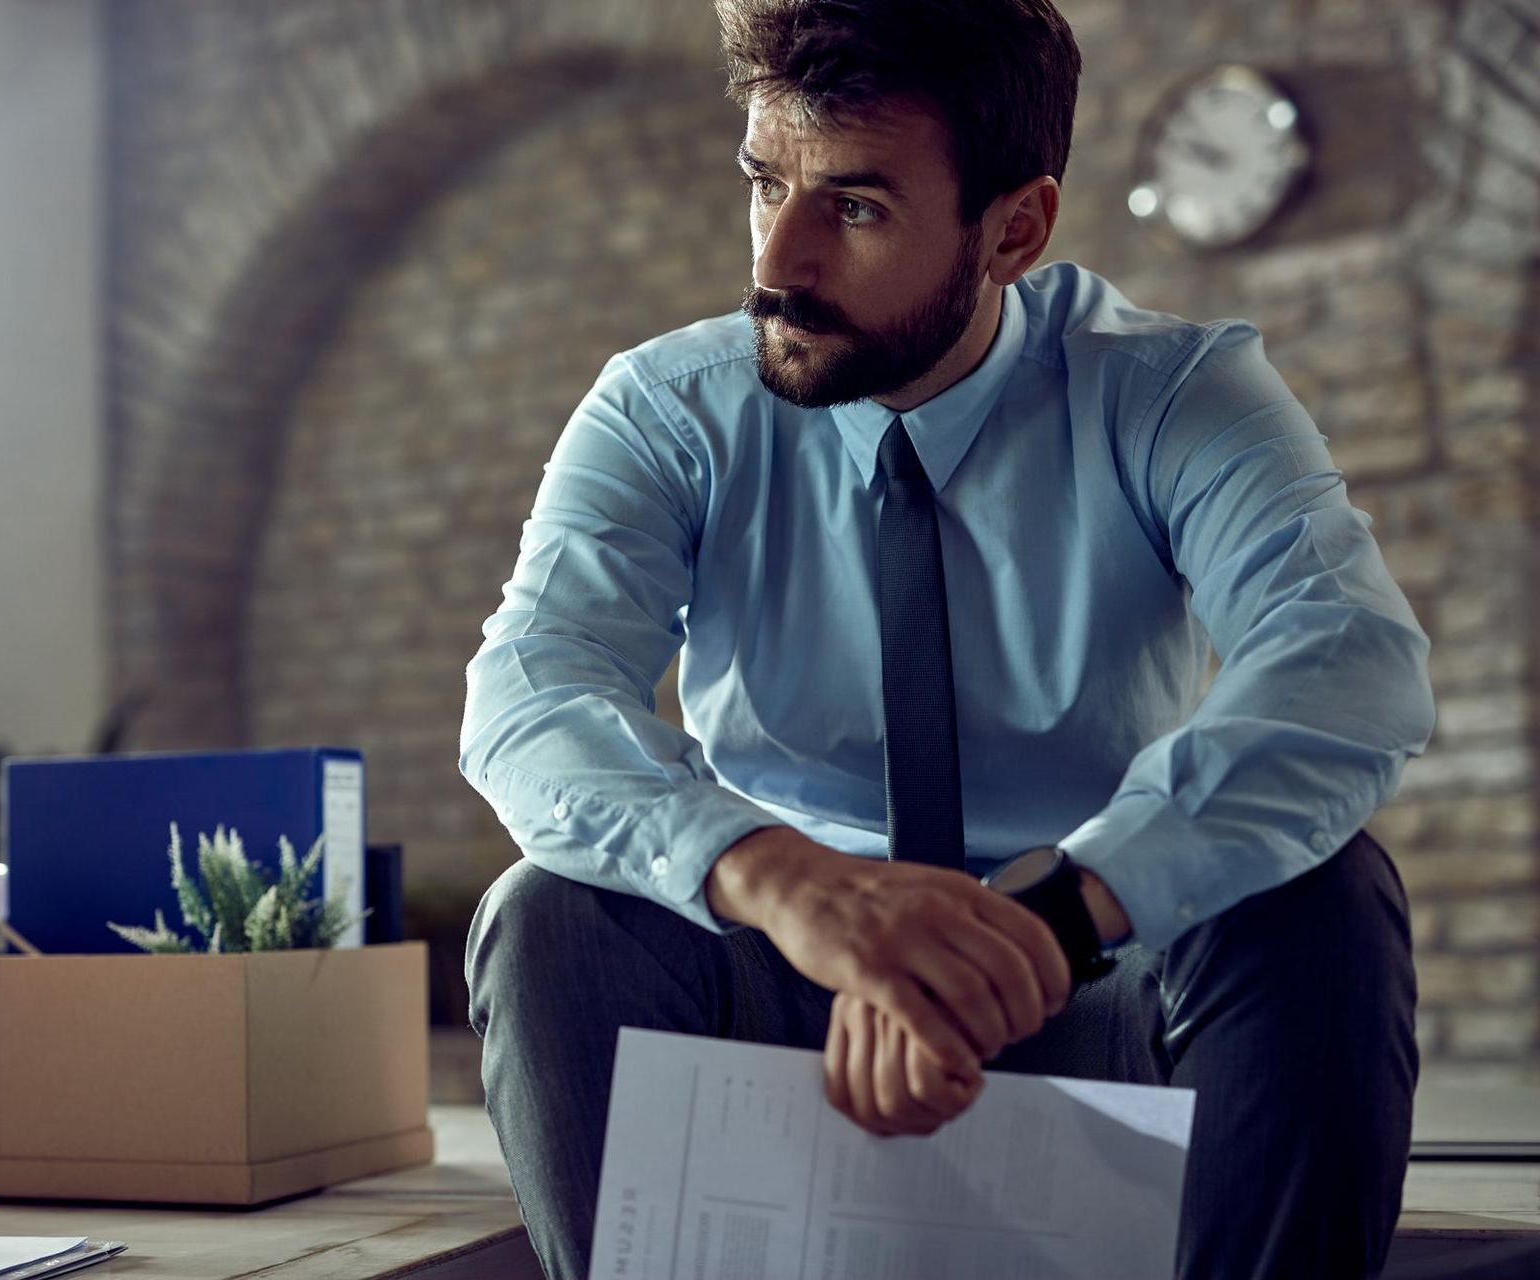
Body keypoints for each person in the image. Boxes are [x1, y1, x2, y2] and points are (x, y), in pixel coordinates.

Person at [458, 1, 1433, 1276]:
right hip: (793, 974)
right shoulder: (667, 407)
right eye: (766, 185)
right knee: (549, 914)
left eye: (855, 208)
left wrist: (1052, 919)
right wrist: (804, 890)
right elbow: (531, 700)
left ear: (1015, 228)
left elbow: (1346, 665)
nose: (780, 261)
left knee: (1324, 894)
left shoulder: (1171, 393)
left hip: (1088, 971)